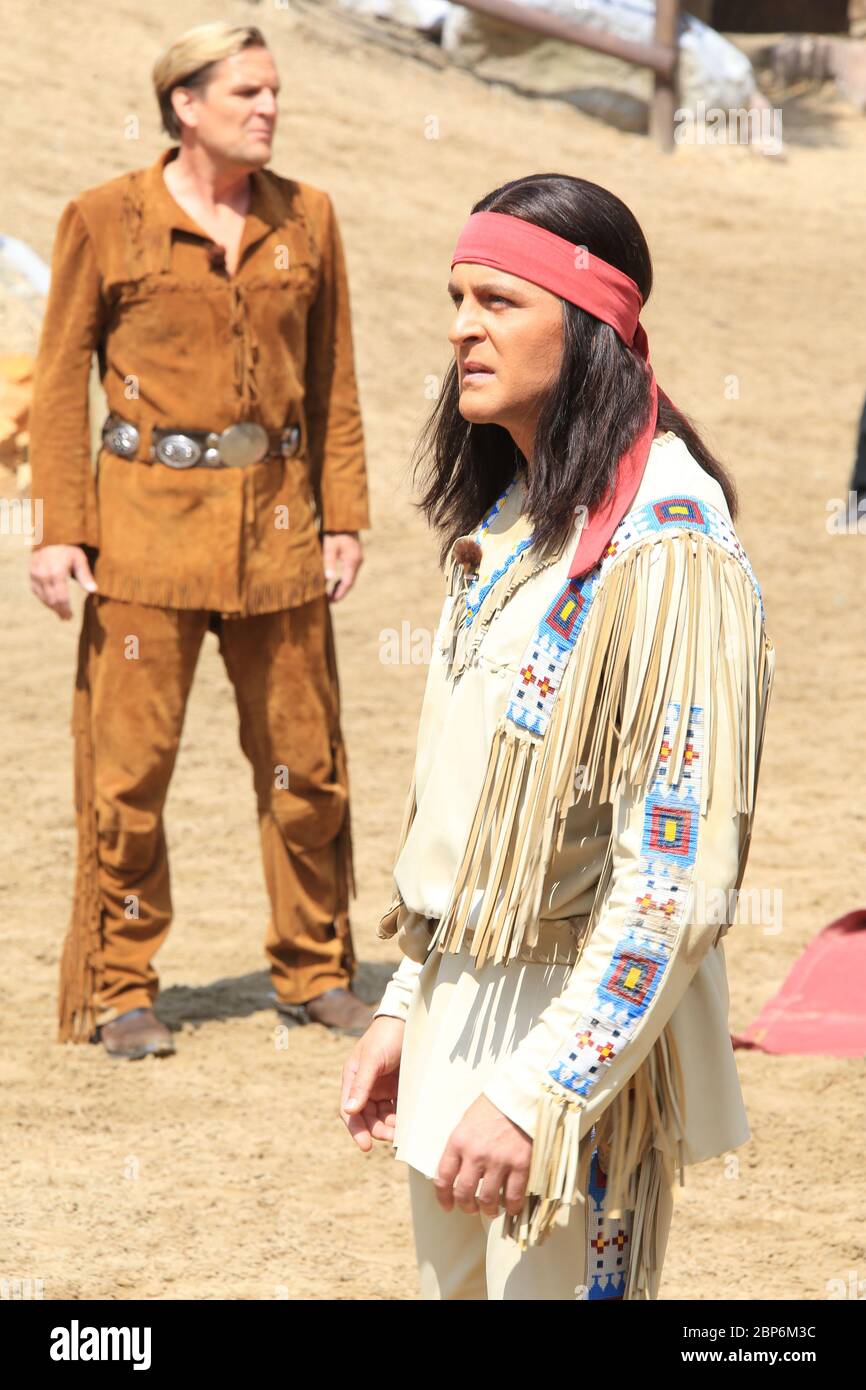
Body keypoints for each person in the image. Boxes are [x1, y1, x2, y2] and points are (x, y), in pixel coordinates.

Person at [339, 174, 775, 1300]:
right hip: (459, 1013)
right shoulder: (518, 520)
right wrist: (406, 1002)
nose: (460, 328)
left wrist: (542, 1090)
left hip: (570, 1042)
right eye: (455, 297)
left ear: (587, 328)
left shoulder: (665, 547)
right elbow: (465, 812)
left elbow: (673, 878)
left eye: (498, 300)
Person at [28, 21, 375, 1057]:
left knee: (303, 768)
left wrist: (343, 514)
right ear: (185, 105)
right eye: (247, 94)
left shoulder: (308, 217)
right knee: (128, 772)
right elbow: (55, 387)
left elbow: (335, 378)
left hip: (278, 536)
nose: (268, 109)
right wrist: (60, 531)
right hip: (142, 535)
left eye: (273, 93)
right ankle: (125, 986)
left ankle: (315, 972)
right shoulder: (103, 218)